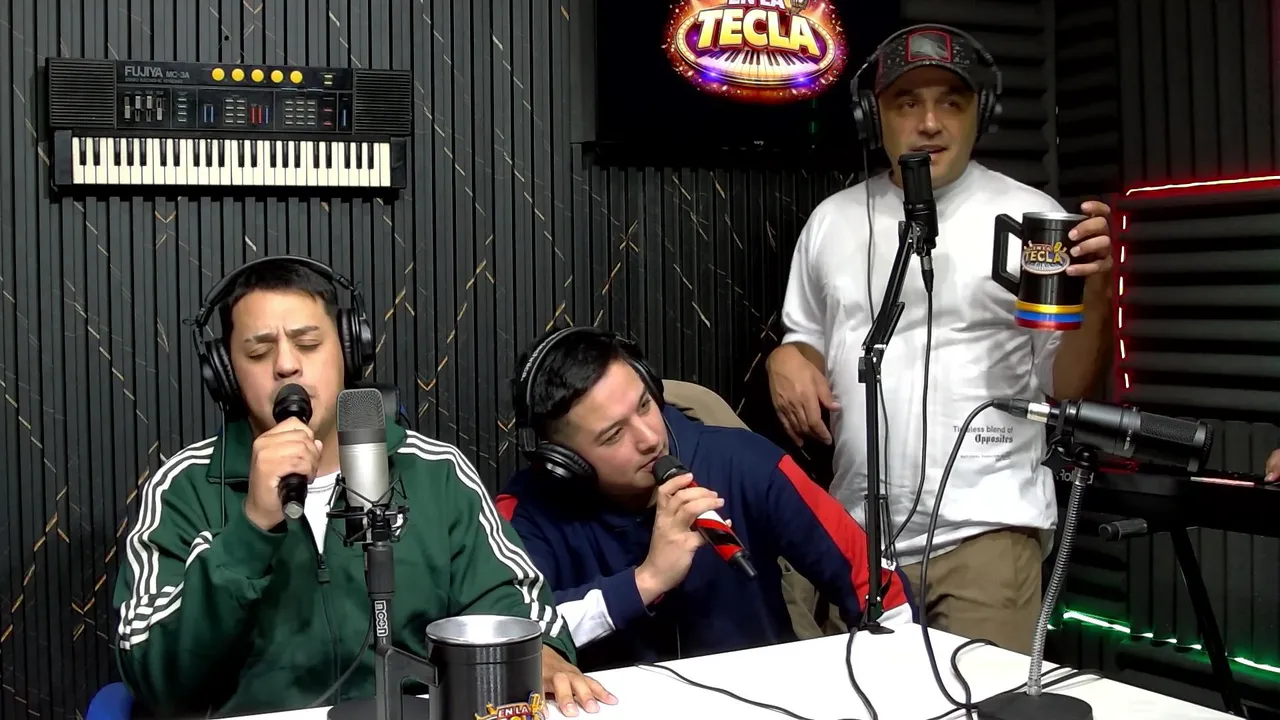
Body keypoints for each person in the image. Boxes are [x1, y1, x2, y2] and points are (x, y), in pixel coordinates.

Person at [112, 257, 615, 718]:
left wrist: (541, 652)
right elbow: (152, 676)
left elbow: (511, 599)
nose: (286, 365)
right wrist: (250, 529)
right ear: (225, 374)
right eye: (259, 351)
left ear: (349, 351)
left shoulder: (435, 473)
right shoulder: (183, 490)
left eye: (308, 343)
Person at [766, 24, 1114, 654]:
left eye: (951, 102)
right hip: (860, 534)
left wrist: (1095, 295)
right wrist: (787, 357)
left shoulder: (1032, 220)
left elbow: (1064, 383)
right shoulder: (832, 222)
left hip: (987, 532)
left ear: (983, 113)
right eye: (907, 102)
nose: (930, 123)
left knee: (983, 699)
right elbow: (808, 338)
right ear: (874, 117)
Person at [494, 326, 915, 671]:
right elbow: (504, 636)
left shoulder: (748, 463)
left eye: (645, 405)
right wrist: (646, 581)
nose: (649, 438)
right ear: (564, 462)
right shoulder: (522, 513)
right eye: (613, 435)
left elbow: (883, 592)